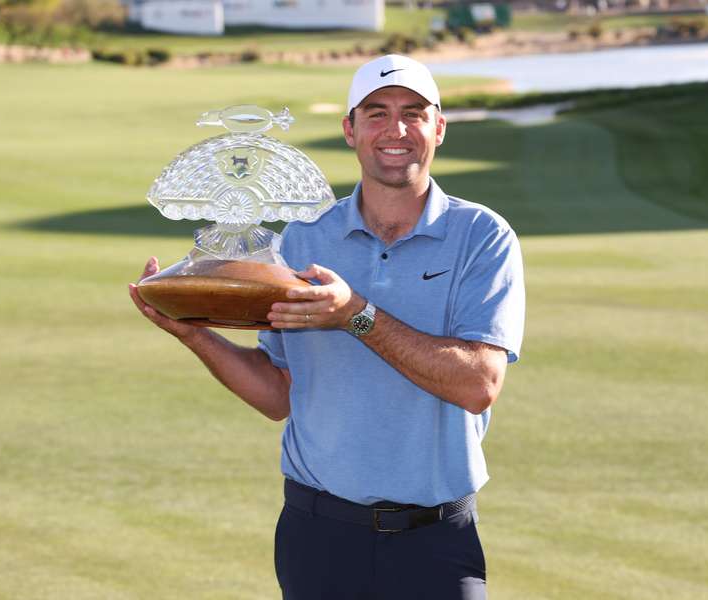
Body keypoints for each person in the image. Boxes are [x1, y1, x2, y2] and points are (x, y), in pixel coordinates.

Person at [129, 54, 525, 599]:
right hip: (320, 536)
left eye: (413, 112)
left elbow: (478, 386)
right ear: (350, 130)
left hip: (436, 539)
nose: (397, 129)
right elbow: (278, 394)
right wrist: (193, 333)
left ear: (439, 126)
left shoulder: (482, 236)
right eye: (376, 113)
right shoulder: (301, 240)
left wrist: (355, 315)